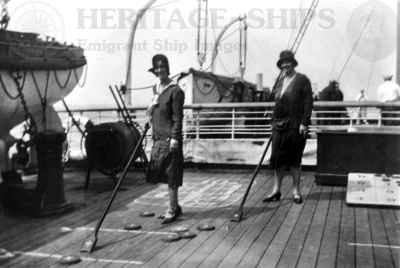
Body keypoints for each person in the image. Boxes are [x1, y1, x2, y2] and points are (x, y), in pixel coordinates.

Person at [263, 50, 313, 204]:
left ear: (293, 63)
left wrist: (304, 123)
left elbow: (308, 102)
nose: (285, 65)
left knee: (294, 160)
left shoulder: (302, 80)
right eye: (282, 63)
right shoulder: (279, 81)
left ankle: (296, 191)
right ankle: (276, 190)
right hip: (279, 126)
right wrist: (270, 112)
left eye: (288, 62)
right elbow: (276, 100)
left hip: (295, 126)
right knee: (278, 159)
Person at [146, 54, 185, 224]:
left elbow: (178, 117)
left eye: (162, 67)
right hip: (158, 138)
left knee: (172, 176)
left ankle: (172, 210)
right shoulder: (156, 89)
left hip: (170, 139)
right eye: (157, 68)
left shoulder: (175, 91)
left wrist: (175, 137)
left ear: (167, 69)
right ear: (154, 71)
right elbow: (156, 111)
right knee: (162, 174)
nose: (160, 70)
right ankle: (175, 206)